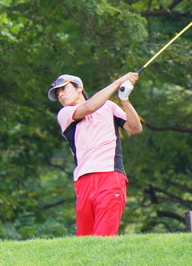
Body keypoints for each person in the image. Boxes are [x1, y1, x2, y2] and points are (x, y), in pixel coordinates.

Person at [47, 72, 142, 236]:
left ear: (79, 88)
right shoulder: (65, 114)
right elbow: (90, 107)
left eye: (63, 89)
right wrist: (118, 81)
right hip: (83, 181)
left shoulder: (109, 107)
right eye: (57, 93)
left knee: (104, 237)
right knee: (85, 238)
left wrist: (124, 99)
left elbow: (135, 128)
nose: (60, 94)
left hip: (110, 176)